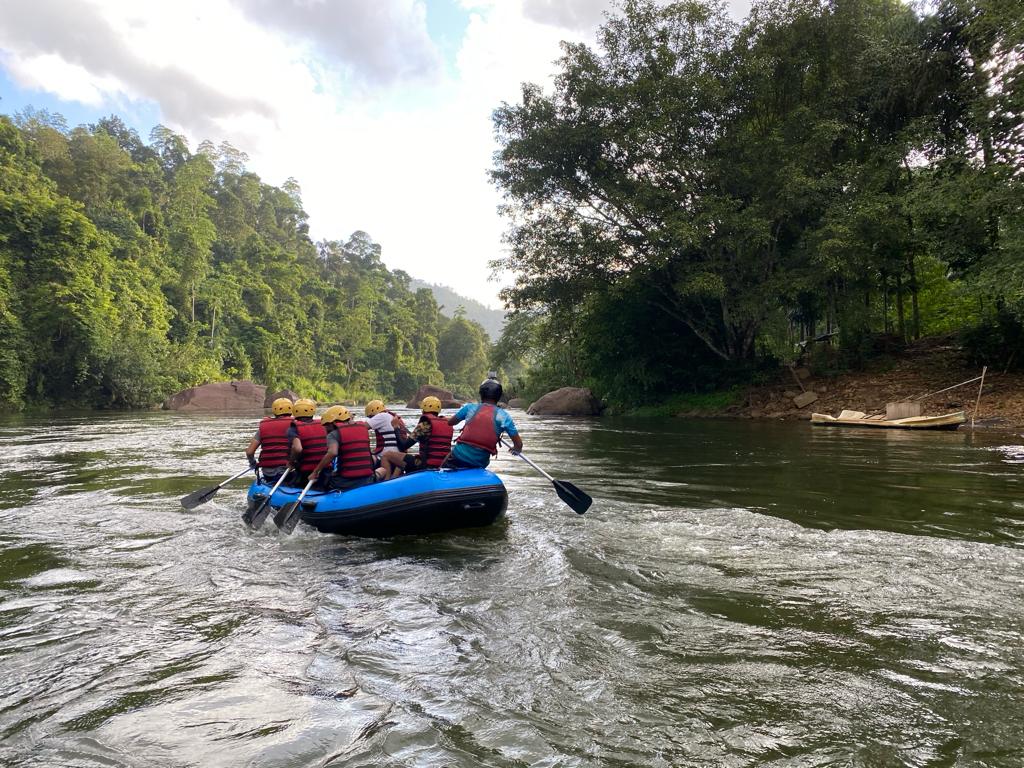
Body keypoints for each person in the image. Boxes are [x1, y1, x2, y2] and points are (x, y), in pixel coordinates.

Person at [443, 377, 522, 469]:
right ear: (499, 395)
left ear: (481, 393)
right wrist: (516, 450)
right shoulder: (504, 416)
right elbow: (519, 444)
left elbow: (451, 422)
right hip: (480, 462)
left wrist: (441, 418)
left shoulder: (469, 408)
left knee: (444, 466)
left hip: (458, 458)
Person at [378, 396, 453, 479]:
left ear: (423, 409)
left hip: (425, 465)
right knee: (406, 458)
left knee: (387, 455)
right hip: (442, 464)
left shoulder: (423, 425)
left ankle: (386, 483)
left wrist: (396, 427)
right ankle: (395, 479)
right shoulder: (447, 423)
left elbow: (403, 446)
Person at [309, 406, 382, 491]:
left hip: (345, 482)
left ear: (333, 423)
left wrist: (316, 471)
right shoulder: (362, 428)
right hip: (367, 479)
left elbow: (332, 452)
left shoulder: (333, 434)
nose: (325, 428)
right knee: (382, 470)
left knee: (324, 478)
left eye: (327, 425)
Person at [245, 397, 293, 484]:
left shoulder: (264, 427)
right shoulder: (296, 425)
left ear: (274, 411)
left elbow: (249, 452)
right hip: (288, 471)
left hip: (268, 472)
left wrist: (253, 463)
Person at [287, 398, 327, 487]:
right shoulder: (323, 425)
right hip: (325, 469)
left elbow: (297, 449)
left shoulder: (293, 428)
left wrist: (291, 461)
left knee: (291, 482)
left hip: (306, 471)